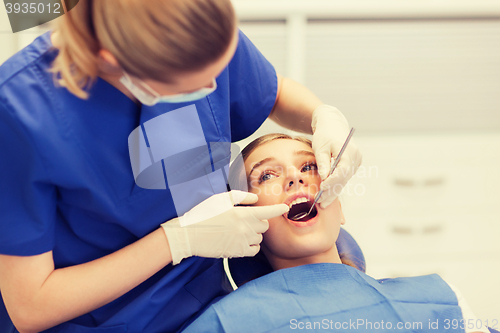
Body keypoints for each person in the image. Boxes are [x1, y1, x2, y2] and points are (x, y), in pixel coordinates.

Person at [0, 1, 362, 332]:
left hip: (208, 303)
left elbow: (272, 92)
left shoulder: (192, 21)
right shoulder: (19, 115)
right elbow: (29, 305)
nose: (214, 86)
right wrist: (178, 240)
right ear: (113, 61)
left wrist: (321, 114)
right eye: (194, 83)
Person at [182, 133, 491, 333]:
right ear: (244, 222)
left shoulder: (441, 300)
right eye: (266, 175)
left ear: (340, 209)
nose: (294, 177)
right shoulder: (224, 324)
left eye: (309, 167)